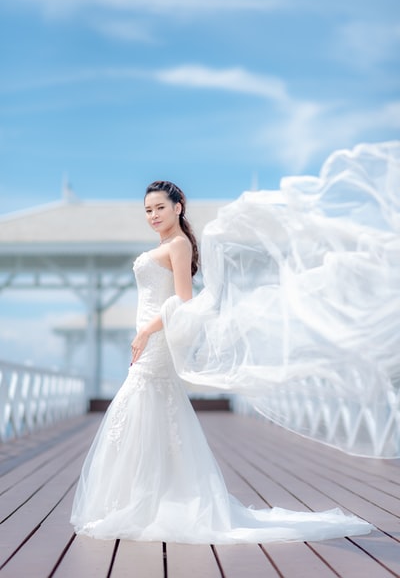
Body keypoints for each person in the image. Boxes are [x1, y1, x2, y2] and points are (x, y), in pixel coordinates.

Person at [70, 180, 372, 543]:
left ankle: (146, 501)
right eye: (148, 210)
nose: (152, 216)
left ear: (178, 207)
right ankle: (143, 497)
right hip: (149, 340)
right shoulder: (165, 244)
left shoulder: (179, 245)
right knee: (147, 411)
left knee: (142, 404)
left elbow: (184, 301)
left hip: (158, 340)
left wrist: (147, 331)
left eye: (159, 208)